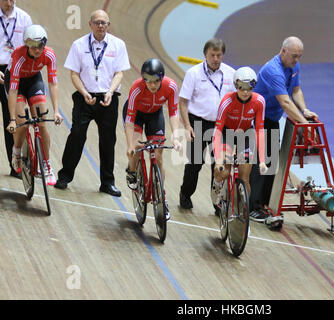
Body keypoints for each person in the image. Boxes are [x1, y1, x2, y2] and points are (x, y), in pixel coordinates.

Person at [54, 10, 130, 196]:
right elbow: (74, 73)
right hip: (84, 98)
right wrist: (85, 93)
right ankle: (64, 176)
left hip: (108, 98)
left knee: (108, 140)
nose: (100, 26)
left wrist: (111, 92)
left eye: (104, 23)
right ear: (90, 24)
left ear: (108, 25)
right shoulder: (79, 44)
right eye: (97, 22)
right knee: (77, 135)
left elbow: (119, 73)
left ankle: (107, 182)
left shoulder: (118, 45)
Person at [249, 36, 318, 222]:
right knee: (261, 161)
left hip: (271, 117)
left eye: (300, 56)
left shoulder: (293, 66)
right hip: (258, 118)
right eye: (294, 56)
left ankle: (264, 204)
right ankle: (252, 207)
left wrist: (304, 110)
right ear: (283, 51)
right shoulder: (273, 70)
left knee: (272, 163)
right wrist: (303, 123)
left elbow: (296, 91)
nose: (297, 60)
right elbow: (285, 102)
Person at [178, 38, 235, 214]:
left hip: (222, 125)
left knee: (219, 165)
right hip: (198, 122)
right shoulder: (193, 73)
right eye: (212, 55)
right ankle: (185, 194)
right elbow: (183, 101)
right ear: (205, 55)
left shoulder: (231, 74)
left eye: (219, 55)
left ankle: (218, 203)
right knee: (195, 163)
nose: (216, 59)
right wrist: (187, 126)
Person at [123, 58, 181, 220]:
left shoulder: (171, 87)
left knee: (159, 155)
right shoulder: (136, 88)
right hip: (136, 117)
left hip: (155, 116)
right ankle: (132, 172)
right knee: (134, 148)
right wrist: (130, 146)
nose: (152, 85)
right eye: (148, 81)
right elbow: (129, 120)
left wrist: (176, 137)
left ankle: (161, 197)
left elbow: (173, 113)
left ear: (161, 78)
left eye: (156, 81)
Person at [5, 24, 62, 185]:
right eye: (33, 46)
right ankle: (16, 152)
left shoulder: (49, 55)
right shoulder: (18, 56)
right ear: (26, 45)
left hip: (33, 81)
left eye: (40, 46)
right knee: (22, 124)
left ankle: (46, 163)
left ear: (45, 44)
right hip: (16, 83)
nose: (37, 50)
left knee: (42, 122)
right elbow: (13, 91)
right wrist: (12, 120)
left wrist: (57, 111)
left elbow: (53, 84)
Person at [211, 66, 268, 206]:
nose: (245, 91)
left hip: (245, 136)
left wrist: (262, 161)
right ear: (236, 85)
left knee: (245, 177)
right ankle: (217, 184)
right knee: (224, 170)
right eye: (241, 87)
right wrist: (218, 160)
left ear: (254, 86)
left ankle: (244, 211)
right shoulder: (227, 101)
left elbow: (260, 130)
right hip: (227, 134)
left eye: (250, 87)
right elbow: (217, 131)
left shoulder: (259, 101)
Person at [0, 0, 32, 179]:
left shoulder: (24, 18)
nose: (9, 2)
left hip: (13, 71)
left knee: (11, 120)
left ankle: (15, 165)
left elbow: (29, 49)